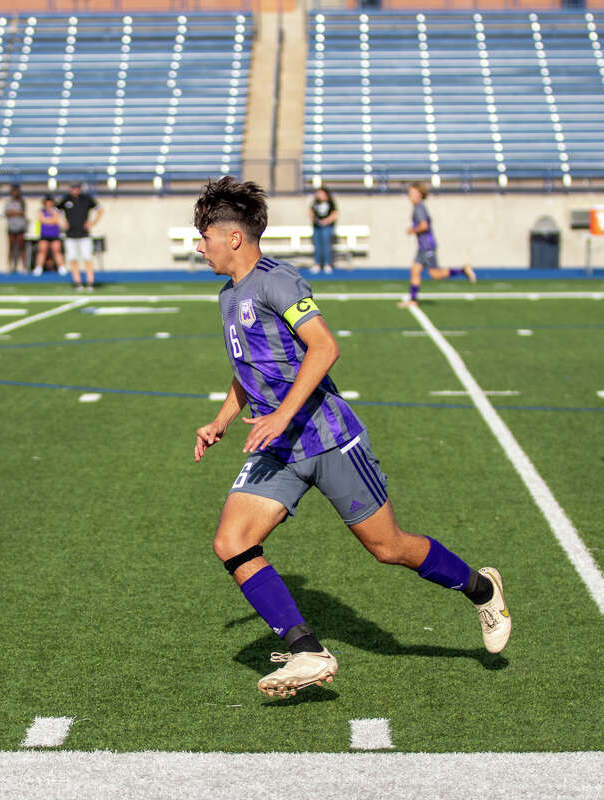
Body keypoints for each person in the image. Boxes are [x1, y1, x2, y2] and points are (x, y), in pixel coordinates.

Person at [191, 177, 511, 698]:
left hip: (328, 438)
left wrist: (281, 415)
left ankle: (481, 588)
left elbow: (324, 348)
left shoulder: (280, 281)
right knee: (232, 541)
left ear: (233, 238)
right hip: (278, 448)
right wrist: (223, 418)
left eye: (203, 235)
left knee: (389, 548)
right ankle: (306, 651)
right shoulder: (229, 297)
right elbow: (249, 370)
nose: (198, 246)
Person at [398, 182, 475, 308]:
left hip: (427, 245)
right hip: (422, 246)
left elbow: (424, 226)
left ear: (419, 194)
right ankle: (413, 300)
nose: (409, 195)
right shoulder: (418, 207)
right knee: (415, 271)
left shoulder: (419, 208)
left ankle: (463, 270)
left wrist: (412, 230)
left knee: (435, 274)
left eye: (412, 193)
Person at [58, 182, 102, 291]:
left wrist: (93, 222)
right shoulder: (65, 199)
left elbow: (100, 209)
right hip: (70, 235)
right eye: (73, 188)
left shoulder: (86, 199)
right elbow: (55, 210)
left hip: (84, 234)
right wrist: (62, 222)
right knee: (73, 259)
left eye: (77, 188)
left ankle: (90, 282)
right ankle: (77, 282)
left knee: (87, 258)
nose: (75, 190)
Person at [33, 195, 64, 277]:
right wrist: (50, 220)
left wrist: (50, 220)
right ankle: (39, 268)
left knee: (57, 251)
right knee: (42, 251)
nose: (48, 204)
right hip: (44, 234)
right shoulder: (41, 211)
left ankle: (61, 267)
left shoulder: (56, 211)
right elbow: (41, 219)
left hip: (54, 234)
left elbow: (56, 220)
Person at [309, 187, 337, 274]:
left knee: (326, 245)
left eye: (321, 193)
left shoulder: (330, 203)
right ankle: (317, 264)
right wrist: (316, 220)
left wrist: (326, 221)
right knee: (317, 246)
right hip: (317, 227)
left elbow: (335, 214)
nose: (319, 195)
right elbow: (311, 213)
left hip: (327, 227)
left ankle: (327, 264)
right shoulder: (315, 203)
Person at [3, 184, 28, 273]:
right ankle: (10, 266)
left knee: (21, 247)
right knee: (11, 247)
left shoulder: (22, 202)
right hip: (11, 226)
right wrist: (15, 212)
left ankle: (24, 266)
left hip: (20, 227)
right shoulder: (8, 202)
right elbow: (7, 213)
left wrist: (13, 212)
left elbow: (22, 213)